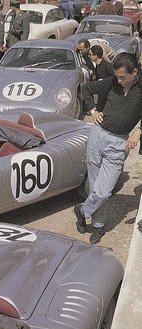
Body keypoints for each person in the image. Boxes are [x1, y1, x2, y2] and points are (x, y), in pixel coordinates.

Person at [75, 53, 142, 244]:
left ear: (134, 72)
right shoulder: (110, 83)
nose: (119, 80)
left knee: (104, 191)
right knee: (95, 185)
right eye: (117, 76)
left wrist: (139, 131)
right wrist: (93, 110)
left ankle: (82, 210)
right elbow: (86, 89)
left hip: (118, 144)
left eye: (123, 77)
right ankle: (98, 225)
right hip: (97, 136)